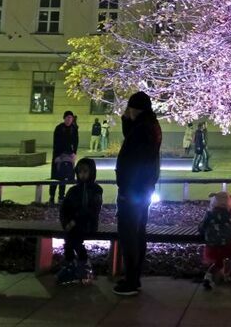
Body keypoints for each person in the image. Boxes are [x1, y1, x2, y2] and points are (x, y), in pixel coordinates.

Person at [113, 91, 162, 296]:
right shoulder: (150, 126)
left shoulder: (143, 129)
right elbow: (131, 136)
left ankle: (131, 281)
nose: (127, 112)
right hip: (142, 190)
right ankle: (134, 278)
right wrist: (127, 119)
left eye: (129, 109)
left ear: (135, 109)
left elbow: (133, 159)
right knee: (137, 233)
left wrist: (125, 189)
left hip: (132, 191)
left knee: (129, 235)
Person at [57, 157, 103, 285]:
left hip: (88, 224)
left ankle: (79, 263)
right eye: (80, 172)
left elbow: (92, 210)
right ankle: (74, 264)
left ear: (91, 172)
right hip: (73, 224)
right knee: (70, 237)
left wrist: (75, 221)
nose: (82, 175)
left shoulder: (96, 190)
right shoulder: (73, 190)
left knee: (72, 238)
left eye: (85, 171)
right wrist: (66, 222)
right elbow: (64, 208)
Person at [198, 190, 231, 289]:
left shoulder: (209, 214)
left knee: (218, 262)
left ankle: (208, 276)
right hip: (228, 244)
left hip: (213, 244)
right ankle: (230, 276)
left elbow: (202, 227)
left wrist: (204, 233)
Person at [49, 111, 80, 204]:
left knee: (64, 175)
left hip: (68, 155)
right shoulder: (59, 128)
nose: (69, 119)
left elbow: (76, 142)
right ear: (64, 118)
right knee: (55, 176)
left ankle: (61, 196)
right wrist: (56, 156)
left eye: (71, 118)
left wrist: (74, 153)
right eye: (67, 118)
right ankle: (52, 196)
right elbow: (55, 143)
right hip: (58, 155)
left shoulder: (74, 129)